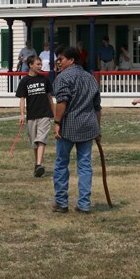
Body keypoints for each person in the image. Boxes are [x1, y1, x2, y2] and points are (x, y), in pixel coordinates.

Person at [52, 46, 102, 213]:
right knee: (85, 166)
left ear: (71, 60)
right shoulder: (90, 78)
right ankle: (84, 204)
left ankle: (61, 202)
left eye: (61, 58)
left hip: (68, 126)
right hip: (88, 125)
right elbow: (97, 107)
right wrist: (98, 129)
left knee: (61, 164)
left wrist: (57, 122)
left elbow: (62, 102)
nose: (58, 62)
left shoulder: (63, 77)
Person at [16, 55, 55, 177]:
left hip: (44, 114)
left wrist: (54, 113)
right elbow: (22, 99)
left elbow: (49, 97)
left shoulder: (45, 79)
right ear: (31, 65)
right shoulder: (24, 81)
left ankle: (39, 165)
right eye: (38, 64)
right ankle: (37, 165)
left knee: (41, 139)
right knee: (35, 143)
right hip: (32, 116)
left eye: (40, 64)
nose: (40, 66)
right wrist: (22, 115)